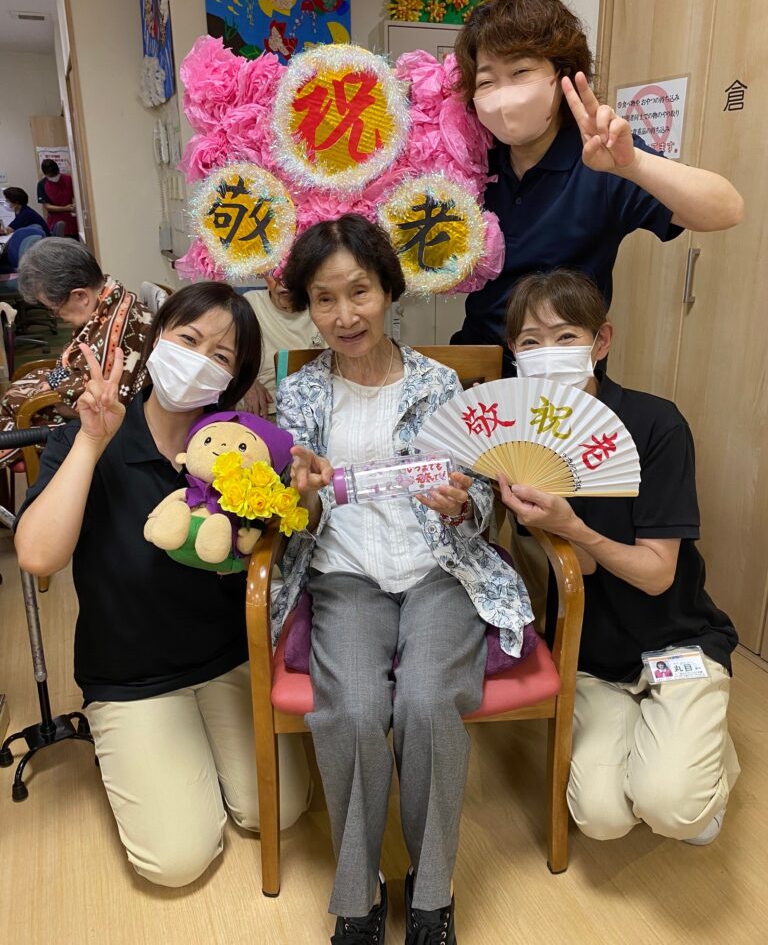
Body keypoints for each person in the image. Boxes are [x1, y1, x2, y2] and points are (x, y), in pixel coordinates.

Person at [276, 213, 532, 945]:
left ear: (389, 290)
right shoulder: (298, 392)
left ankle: (431, 892)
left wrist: (460, 506)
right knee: (355, 710)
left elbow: (480, 501)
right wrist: (299, 493)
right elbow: (290, 517)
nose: (344, 315)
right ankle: (358, 897)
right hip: (345, 574)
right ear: (307, 306)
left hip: (436, 571)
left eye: (359, 291)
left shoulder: (440, 382)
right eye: (324, 299)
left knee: (426, 700)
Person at [13, 281, 311, 887]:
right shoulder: (95, 433)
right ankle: (135, 748)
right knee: (177, 861)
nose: (199, 360)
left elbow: (283, 535)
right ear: (156, 341)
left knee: (277, 811)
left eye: (220, 356)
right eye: (188, 339)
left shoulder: (238, 447)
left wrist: (304, 487)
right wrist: (91, 440)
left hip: (228, 658)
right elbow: (38, 556)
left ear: (233, 378)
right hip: (131, 676)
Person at [498, 269, 739, 847]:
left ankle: (703, 752)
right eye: (531, 341)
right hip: (592, 656)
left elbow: (656, 576)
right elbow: (575, 570)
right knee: (601, 819)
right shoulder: (518, 439)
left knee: (672, 808)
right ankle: (664, 737)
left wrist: (573, 526)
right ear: (514, 353)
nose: (548, 353)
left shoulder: (655, 424)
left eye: (565, 337)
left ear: (600, 341)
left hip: (675, 637)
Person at [451, 0, 744, 375]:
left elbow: (727, 209)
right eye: (487, 81)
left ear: (562, 75)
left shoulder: (601, 158)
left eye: (520, 72)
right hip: (477, 366)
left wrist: (633, 164)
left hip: (566, 372)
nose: (504, 96)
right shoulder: (469, 160)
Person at [0, 239, 153, 463]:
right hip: (78, 396)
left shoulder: (119, 329)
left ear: (80, 295)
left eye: (55, 309)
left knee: (11, 421)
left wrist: (47, 389)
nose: (57, 316)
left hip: (105, 429)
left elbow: (97, 405)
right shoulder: (110, 299)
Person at [242, 271, 325, 418]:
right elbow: (223, 356)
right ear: (264, 275)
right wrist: (245, 383)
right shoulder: (249, 303)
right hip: (265, 409)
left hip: (317, 408)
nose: (283, 281)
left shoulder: (322, 306)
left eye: (291, 271)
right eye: (275, 273)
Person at [37, 158, 78, 237]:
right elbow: (47, 206)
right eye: (51, 176)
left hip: (72, 221)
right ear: (45, 174)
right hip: (55, 221)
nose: (55, 177)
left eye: (56, 174)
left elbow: (77, 197)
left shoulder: (68, 179)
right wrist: (65, 208)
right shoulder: (42, 184)